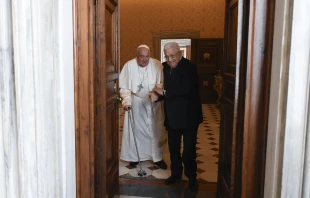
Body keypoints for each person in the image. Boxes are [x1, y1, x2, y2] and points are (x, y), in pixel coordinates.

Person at [152, 42, 203, 191]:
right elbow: (165, 89)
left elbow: (185, 90)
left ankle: (192, 175)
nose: (170, 59)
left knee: (188, 150)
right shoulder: (165, 67)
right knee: (173, 148)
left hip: (189, 116)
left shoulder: (190, 67)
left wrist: (163, 93)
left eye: (172, 56)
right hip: (172, 115)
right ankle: (176, 174)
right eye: (167, 56)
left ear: (180, 53)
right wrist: (157, 96)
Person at [119, 44, 167, 170]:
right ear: (137, 55)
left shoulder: (157, 64)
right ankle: (135, 157)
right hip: (136, 101)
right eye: (141, 57)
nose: (144, 60)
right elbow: (124, 87)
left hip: (153, 101)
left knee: (155, 131)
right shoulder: (129, 66)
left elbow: (161, 82)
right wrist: (127, 101)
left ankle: (157, 158)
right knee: (136, 130)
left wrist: (156, 92)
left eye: (147, 57)